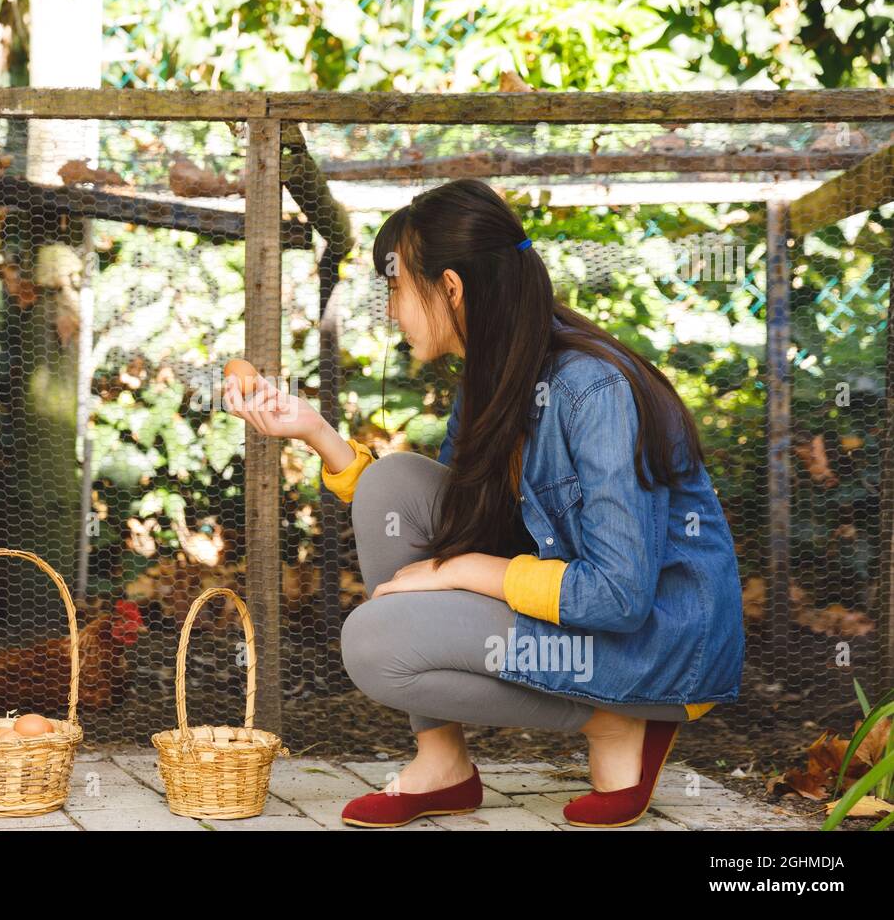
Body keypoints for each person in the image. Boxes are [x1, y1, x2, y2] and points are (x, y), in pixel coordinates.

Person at [223, 178, 744, 828]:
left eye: (395, 288)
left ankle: (619, 720)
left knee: (374, 644)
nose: (391, 310)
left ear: (451, 287)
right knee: (392, 485)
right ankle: (442, 763)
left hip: (653, 644)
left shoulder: (593, 390)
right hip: (581, 619)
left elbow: (620, 597)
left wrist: (464, 572)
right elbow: (453, 522)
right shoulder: (495, 377)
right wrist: (317, 435)